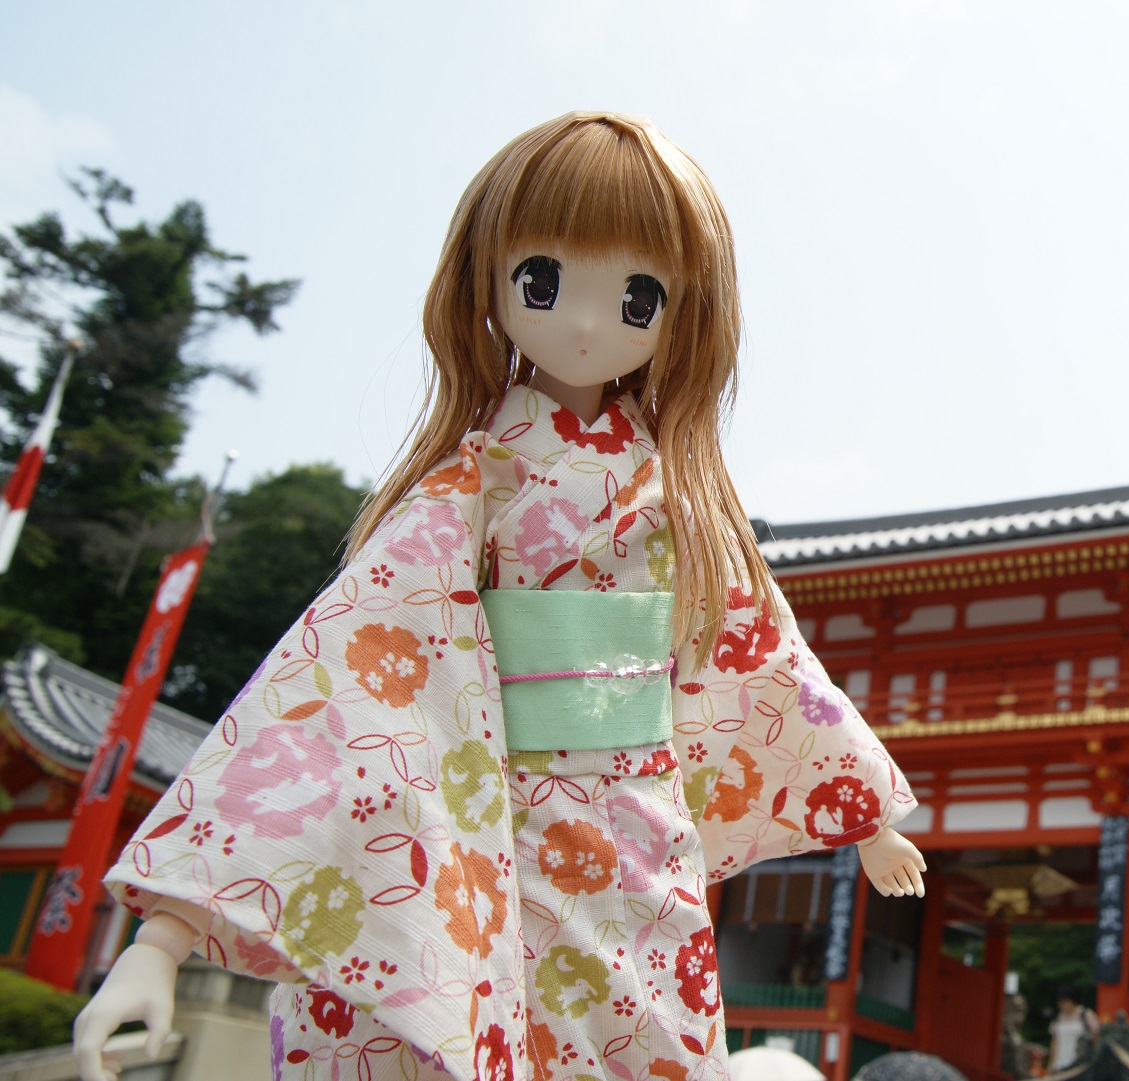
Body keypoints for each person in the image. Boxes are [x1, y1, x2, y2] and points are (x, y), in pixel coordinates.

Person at [72, 111, 925, 1081]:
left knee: (646, 1038)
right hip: (487, 811)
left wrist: (863, 811)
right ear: (493, 283)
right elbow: (348, 663)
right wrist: (161, 938)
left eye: (638, 295)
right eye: (546, 282)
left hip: (636, 824)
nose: (590, 324)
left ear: (685, 311)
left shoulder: (678, 498)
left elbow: (757, 647)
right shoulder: (484, 476)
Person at [1048, 986, 1100, 1071]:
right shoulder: (1057, 1019)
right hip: (1060, 1065)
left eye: (1064, 1002)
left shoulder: (1085, 1015)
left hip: (1080, 1064)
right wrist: (1050, 1067)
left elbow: (1096, 1038)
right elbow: (1054, 1043)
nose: (1062, 1005)